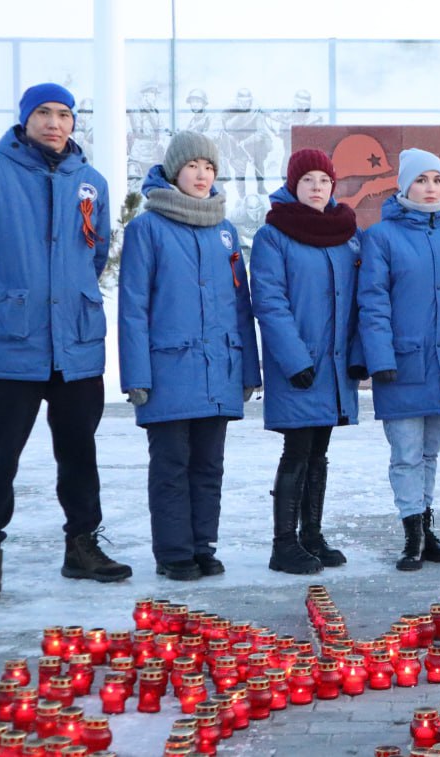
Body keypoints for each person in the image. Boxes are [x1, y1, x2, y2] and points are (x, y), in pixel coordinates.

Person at [0, 82, 132, 602]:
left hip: (76, 346)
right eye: (43, 113)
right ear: (25, 119)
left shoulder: (90, 181)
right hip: (11, 344)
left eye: (64, 114)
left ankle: (81, 545)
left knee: (80, 454)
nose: (54, 123)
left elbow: (95, 254)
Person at [118, 131, 261, 581]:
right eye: (193, 166)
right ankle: (174, 552)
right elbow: (133, 307)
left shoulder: (225, 232)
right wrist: (136, 375)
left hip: (219, 369)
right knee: (171, 465)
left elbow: (241, 305)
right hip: (168, 371)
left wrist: (248, 368)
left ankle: (203, 546)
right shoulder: (147, 229)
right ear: (174, 170)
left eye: (210, 167)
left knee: (209, 465)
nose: (202, 175)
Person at [359, 149, 440, 571]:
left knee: (429, 454)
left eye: (437, 180)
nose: (430, 188)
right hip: (402, 365)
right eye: (421, 180)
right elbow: (373, 301)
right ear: (404, 185)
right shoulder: (381, 237)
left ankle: (426, 528)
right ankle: (411, 534)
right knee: (406, 454)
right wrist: (379, 357)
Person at [251, 149, 364, 574]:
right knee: (297, 450)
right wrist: (294, 359)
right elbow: (269, 301)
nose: (317, 188)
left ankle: (311, 535)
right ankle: (284, 544)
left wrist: (358, 356)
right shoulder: (274, 235)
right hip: (298, 365)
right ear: (292, 185)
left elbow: (361, 301)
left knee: (319, 451)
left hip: (334, 366)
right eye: (308, 180)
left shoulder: (347, 234)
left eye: (324, 180)